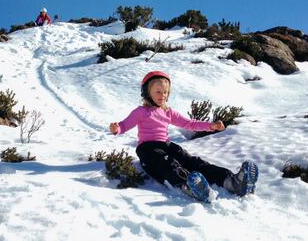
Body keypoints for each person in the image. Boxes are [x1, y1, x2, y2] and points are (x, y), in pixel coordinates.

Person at [109, 71, 259, 202]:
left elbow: (189, 123)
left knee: (193, 161)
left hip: (166, 145)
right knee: (167, 163)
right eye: (158, 92)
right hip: (147, 149)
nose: (163, 95)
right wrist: (117, 128)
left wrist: (210, 126)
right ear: (147, 93)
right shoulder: (141, 111)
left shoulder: (168, 112)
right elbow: (125, 124)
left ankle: (231, 181)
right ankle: (188, 185)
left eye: (166, 92)